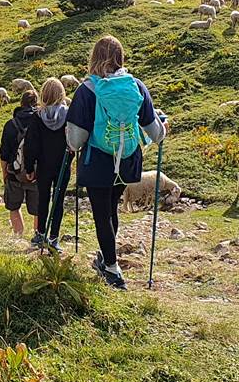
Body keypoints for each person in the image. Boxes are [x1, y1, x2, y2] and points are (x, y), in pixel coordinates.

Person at [64, 35, 166, 290]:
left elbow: (76, 140)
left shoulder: (87, 90)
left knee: (101, 213)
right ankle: (105, 257)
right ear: (121, 57)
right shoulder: (136, 86)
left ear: (94, 58)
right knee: (111, 209)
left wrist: (71, 143)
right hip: (128, 160)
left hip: (98, 160)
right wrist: (164, 128)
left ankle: (112, 268)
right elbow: (155, 132)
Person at [24, 77, 71, 250]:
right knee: (58, 200)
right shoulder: (68, 115)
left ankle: (40, 234)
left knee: (43, 198)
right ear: (61, 94)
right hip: (62, 165)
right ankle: (54, 238)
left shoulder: (37, 117)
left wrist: (29, 167)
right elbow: (72, 140)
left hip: (43, 166)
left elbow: (31, 144)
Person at [0, 88, 40, 238]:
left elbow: (3, 153)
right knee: (39, 209)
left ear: (21, 103)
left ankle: (18, 237)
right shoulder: (41, 122)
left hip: (14, 174)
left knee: (14, 207)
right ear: (37, 103)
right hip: (37, 175)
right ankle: (38, 238)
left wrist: (5, 173)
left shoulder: (10, 124)